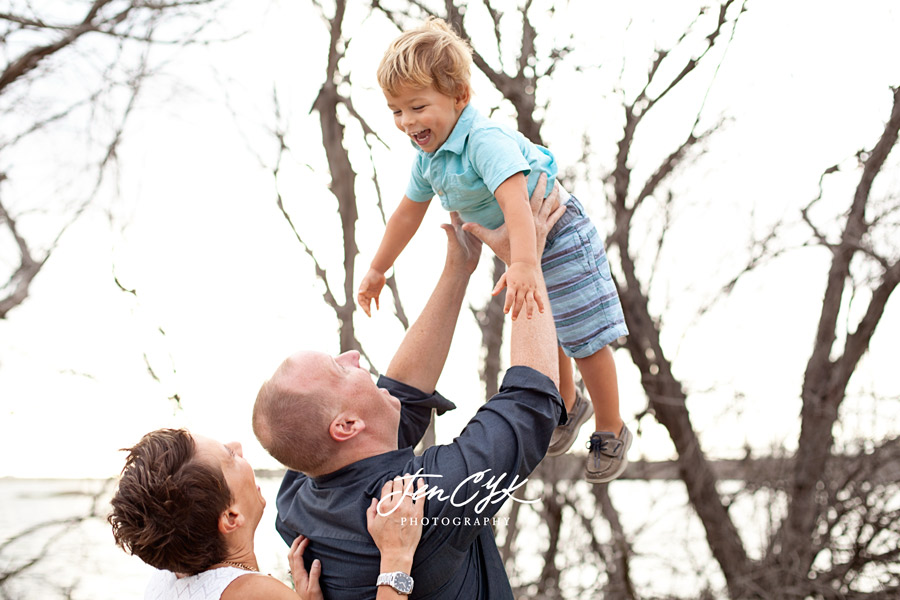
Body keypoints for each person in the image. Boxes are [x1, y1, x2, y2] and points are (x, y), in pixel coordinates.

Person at [254, 175, 565, 599]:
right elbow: (530, 403)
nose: (353, 358)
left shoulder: (299, 503)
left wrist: (459, 266)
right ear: (345, 425)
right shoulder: (423, 503)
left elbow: (397, 398)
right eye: (340, 369)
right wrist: (526, 261)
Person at [356, 17, 631, 483]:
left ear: (459, 96)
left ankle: (611, 426)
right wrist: (379, 267)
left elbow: (515, 201)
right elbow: (407, 213)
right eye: (396, 111)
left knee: (581, 335)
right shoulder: (429, 158)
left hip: (554, 230)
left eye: (418, 106)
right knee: (547, 320)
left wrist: (524, 262)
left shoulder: (483, 141)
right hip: (521, 244)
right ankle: (565, 405)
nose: (407, 123)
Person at [108, 429, 424, 600]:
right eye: (229, 456)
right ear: (230, 517)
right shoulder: (254, 594)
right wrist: (396, 560)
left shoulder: (163, 582)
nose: (238, 446)